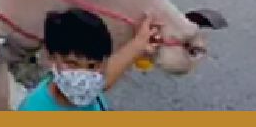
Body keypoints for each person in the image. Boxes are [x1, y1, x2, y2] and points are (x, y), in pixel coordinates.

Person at [18, 10, 158, 110]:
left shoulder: (91, 89)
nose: (82, 77)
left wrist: (139, 43)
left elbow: (108, 76)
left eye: (92, 66)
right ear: (51, 57)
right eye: (72, 64)